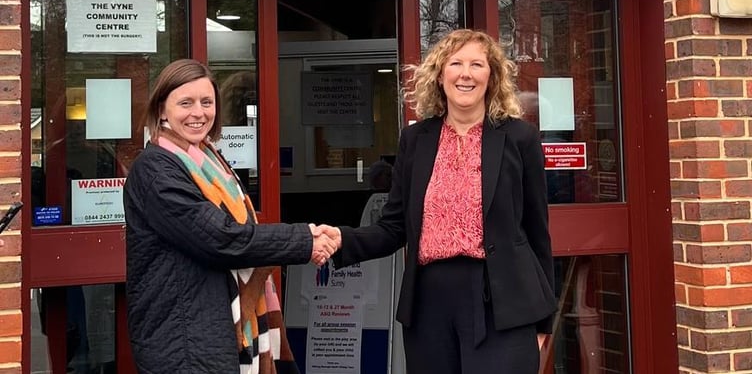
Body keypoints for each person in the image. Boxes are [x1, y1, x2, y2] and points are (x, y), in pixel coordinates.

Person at [320, 29, 557, 374]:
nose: (466, 73)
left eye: (477, 64)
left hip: (504, 303)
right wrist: (343, 239)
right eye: (456, 63)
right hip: (429, 305)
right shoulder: (416, 139)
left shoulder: (520, 137)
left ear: (491, 76)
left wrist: (543, 321)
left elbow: (538, 232)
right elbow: (394, 226)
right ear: (439, 74)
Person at [124, 59, 336, 374]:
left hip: (209, 333)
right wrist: (305, 239)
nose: (199, 113)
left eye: (206, 102)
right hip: (184, 342)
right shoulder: (157, 170)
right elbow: (219, 238)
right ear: (161, 111)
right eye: (186, 103)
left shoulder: (208, 160)